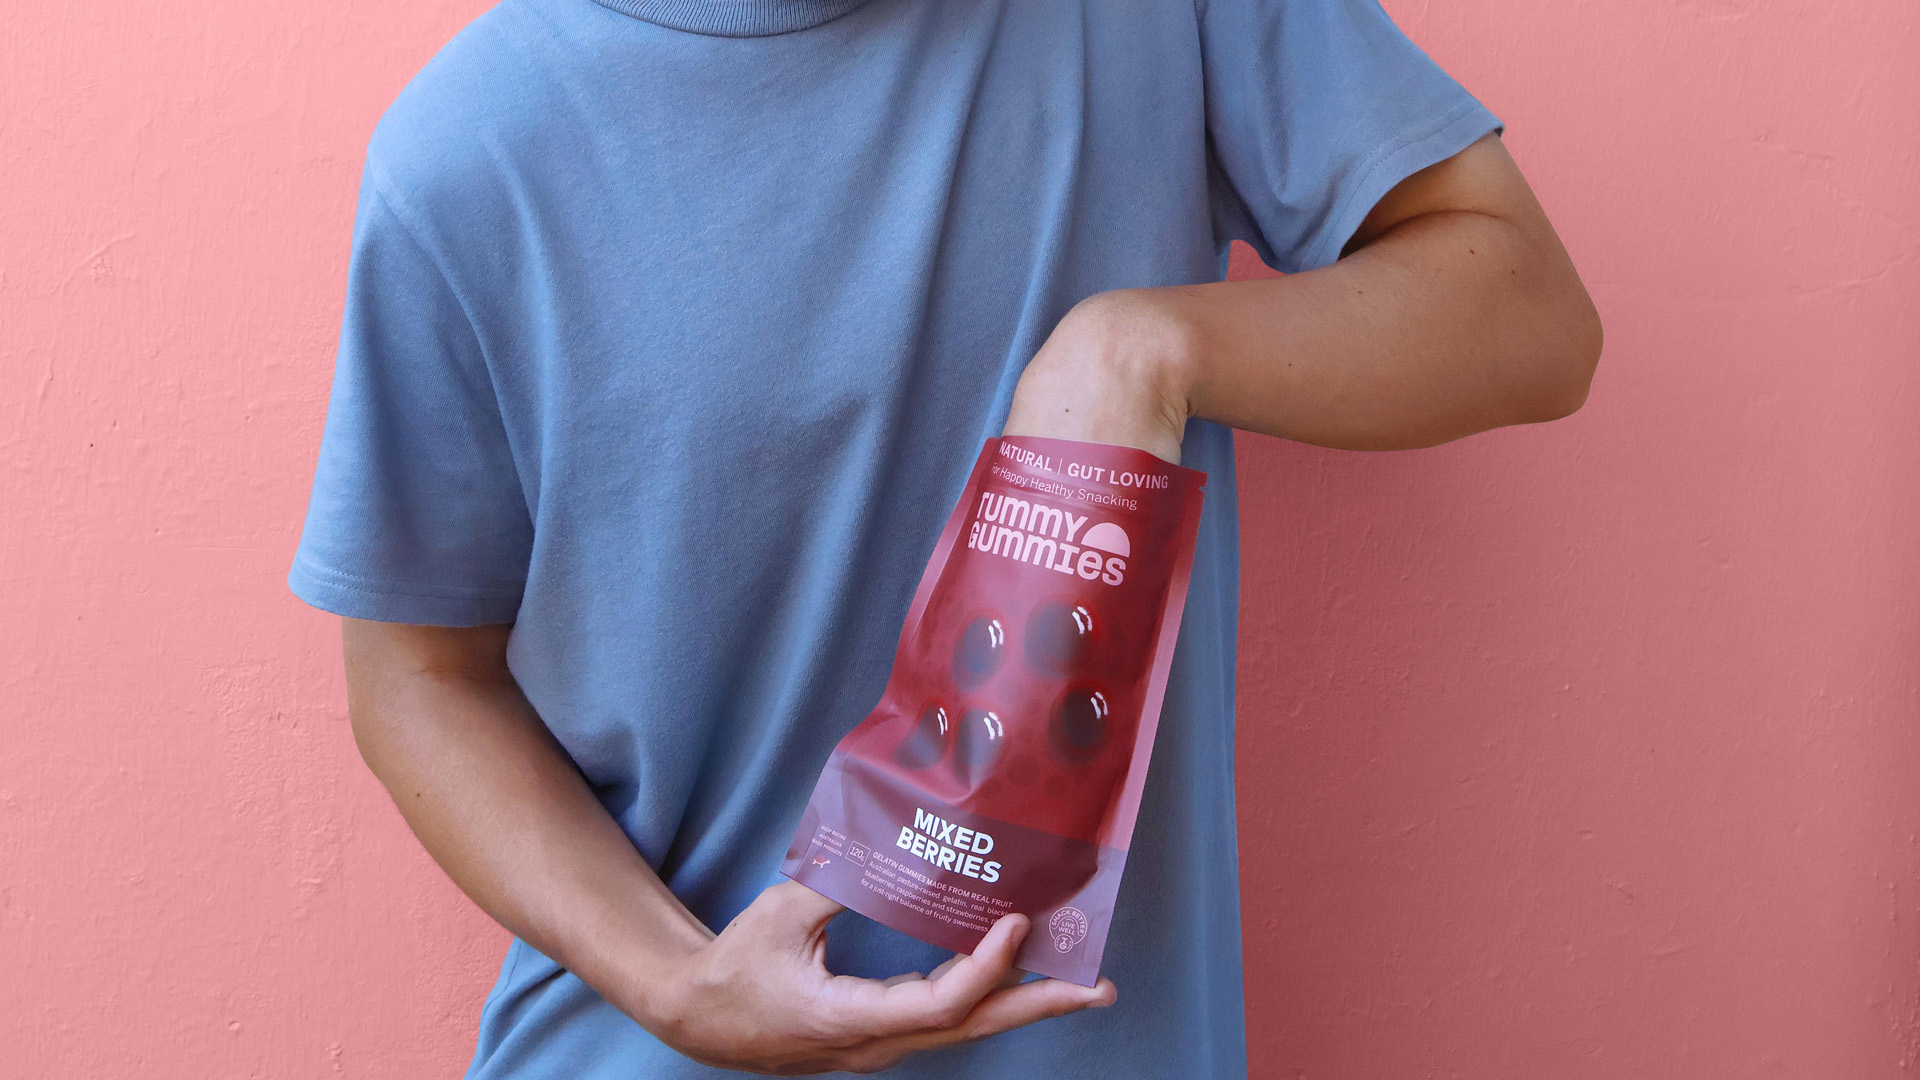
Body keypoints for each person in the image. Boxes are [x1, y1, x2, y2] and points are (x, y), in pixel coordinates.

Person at [289, 0, 1601, 1075]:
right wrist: (677, 983)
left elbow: (1530, 311)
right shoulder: (466, 157)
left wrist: (1153, 345)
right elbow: (417, 673)